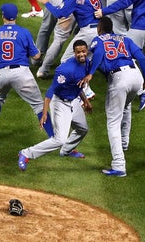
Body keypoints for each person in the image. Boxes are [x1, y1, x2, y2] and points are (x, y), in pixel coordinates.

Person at [79, 17, 145, 177]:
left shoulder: (98, 39)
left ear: (99, 28)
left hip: (119, 79)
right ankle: (124, 143)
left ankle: (119, 165)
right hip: (136, 76)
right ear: (111, 28)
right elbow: (140, 57)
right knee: (125, 106)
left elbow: (98, 53)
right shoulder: (124, 38)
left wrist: (90, 73)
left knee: (113, 122)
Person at [18, 40, 94, 171]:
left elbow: (77, 85)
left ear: (87, 51)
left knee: (83, 129)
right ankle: (26, 153)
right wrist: (44, 114)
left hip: (74, 101)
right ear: (74, 53)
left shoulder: (86, 63)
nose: (81, 54)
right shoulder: (65, 70)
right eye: (78, 52)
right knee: (59, 139)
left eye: (83, 51)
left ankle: (67, 150)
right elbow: (50, 92)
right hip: (60, 103)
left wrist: (86, 101)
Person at [0, 4, 53, 142]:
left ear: (3, 16)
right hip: (21, 73)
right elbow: (36, 56)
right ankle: (53, 137)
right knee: (38, 105)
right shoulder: (24, 32)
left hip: (2, 74)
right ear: (15, 17)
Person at [36, 0, 102, 78]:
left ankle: (84, 89)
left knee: (66, 60)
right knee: (86, 59)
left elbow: (61, 14)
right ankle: (85, 87)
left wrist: (47, 3)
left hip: (88, 31)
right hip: (99, 29)